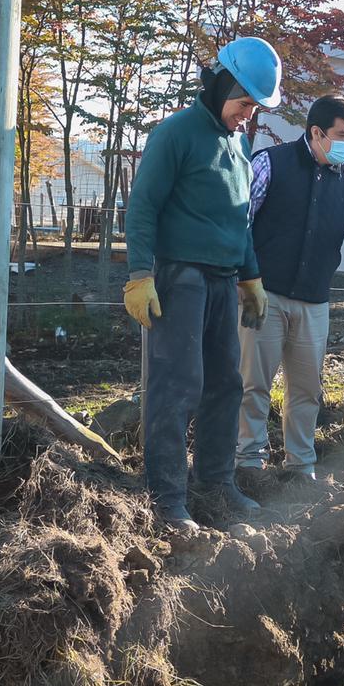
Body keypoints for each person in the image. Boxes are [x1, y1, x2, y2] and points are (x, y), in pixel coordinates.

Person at [124, 36, 281, 532]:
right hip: (179, 277)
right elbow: (143, 205)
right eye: (242, 104)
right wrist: (139, 275)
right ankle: (167, 499)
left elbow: (241, 220)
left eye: (253, 109)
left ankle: (216, 482)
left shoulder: (240, 144)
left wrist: (251, 277)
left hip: (222, 279)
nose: (247, 116)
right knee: (177, 385)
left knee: (225, 384)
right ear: (218, 88)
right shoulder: (176, 134)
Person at [235, 95, 344, 480]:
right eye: (342, 134)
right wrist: (244, 277)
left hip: (314, 299)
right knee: (254, 383)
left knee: (307, 388)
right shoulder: (270, 164)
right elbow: (241, 220)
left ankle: (300, 464)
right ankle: (249, 462)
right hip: (263, 292)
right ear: (316, 133)